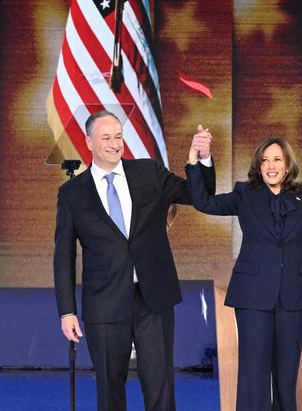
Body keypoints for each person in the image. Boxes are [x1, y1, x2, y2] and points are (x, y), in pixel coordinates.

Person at [54, 110, 216, 411]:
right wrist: (67, 311)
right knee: (110, 388)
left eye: (118, 136)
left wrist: (200, 160)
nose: (115, 144)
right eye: (106, 137)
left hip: (153, 297)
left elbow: (199, 196)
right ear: (88, 141)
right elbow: (63, 255)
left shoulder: (148, 172)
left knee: (160, 386)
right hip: (104, 303)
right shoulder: (72, 193)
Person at [185, 128, 302, 411]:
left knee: (287, 376)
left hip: (294, 295)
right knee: (254, 374)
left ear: (287, 165)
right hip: (253, 297)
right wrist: (196, 159)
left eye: (277, 160)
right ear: (258, 165)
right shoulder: (243, 194)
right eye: (265, 160)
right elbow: (204, 202)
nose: (271, 166)